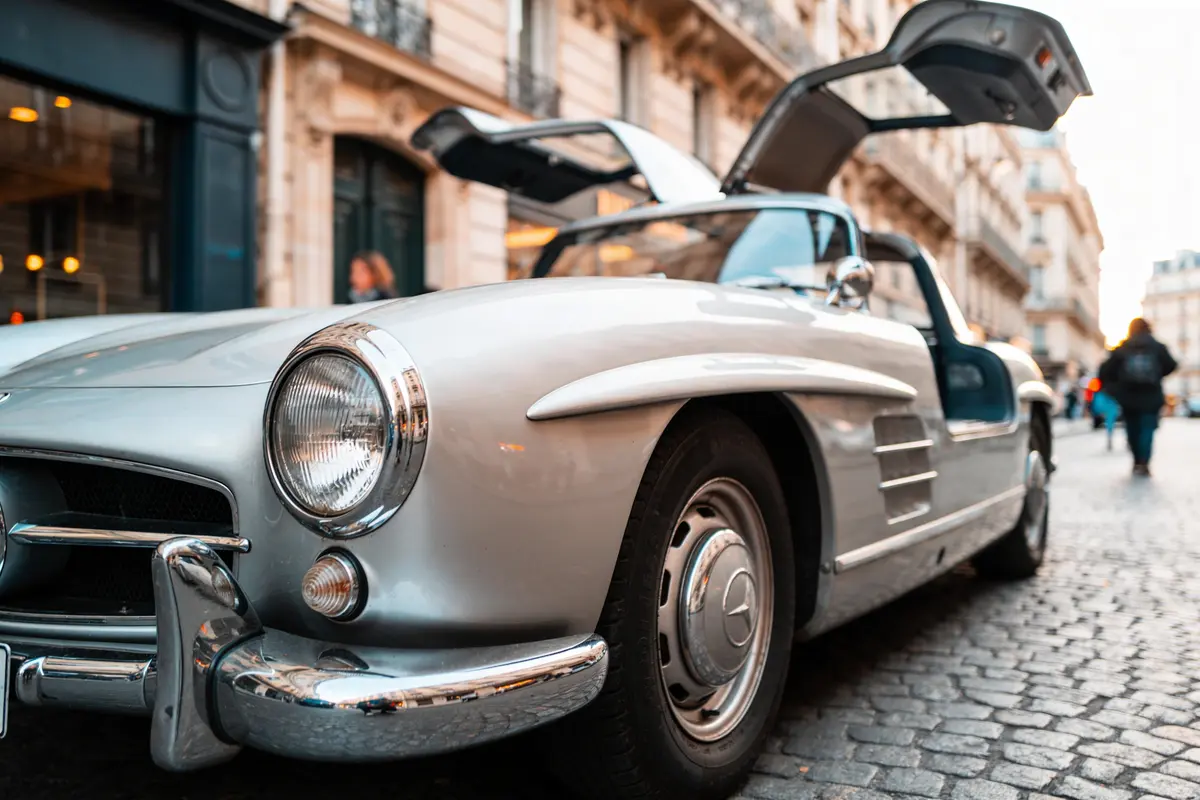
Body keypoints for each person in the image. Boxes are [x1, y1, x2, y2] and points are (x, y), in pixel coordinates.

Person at [1098, 318, 1178, 476]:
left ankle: (1136, 460)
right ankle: (1144, 461)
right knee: (1147, 430)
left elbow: (1105, 370)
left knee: (1132, 430)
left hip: (1129, 397)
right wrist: (1158, 375)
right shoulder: (1157, 347)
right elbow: (1172, 365)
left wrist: (1114, 388)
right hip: (1151, 395)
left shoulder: (1123, 348)